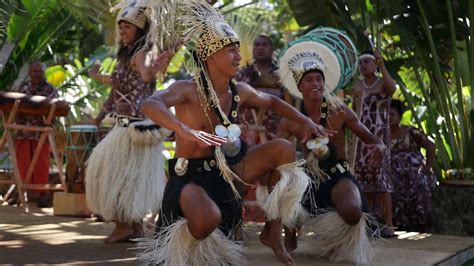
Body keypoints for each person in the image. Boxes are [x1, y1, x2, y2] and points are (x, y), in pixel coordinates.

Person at [135, 2, 334, 265]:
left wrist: (306, 122)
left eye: (237, 51)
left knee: (284, 149)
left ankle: (272, 232)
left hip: (228, 170)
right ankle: (184, 250)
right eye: (231, 51)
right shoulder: (187, 90)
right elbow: (149, 104)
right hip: (191, 177)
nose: (239, 57)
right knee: (208, 220)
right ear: (211, 56)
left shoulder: (239, 91)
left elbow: (273, 102)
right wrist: (185, 130)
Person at [276, 51, 385, 265]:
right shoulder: (290, 119)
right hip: (309, 178)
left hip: (338, 176)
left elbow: (367, 136)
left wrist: (379, 145)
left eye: (319, 78)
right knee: (282, 186)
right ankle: (290, 230)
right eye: (309, 79)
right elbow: (276, 150)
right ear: (299, 87)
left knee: (353, 211)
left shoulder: (340, 111)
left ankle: (338, 240)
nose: (315, 83)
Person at [85, 5, 172, 244]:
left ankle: (126, 225)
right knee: (119, 176)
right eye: (121, 26)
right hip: (122, 128)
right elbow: (115, 91)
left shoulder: (143, 54)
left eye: (128, 27)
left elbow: (145, 75)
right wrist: (99, 116)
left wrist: (154, 69)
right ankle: (132, 227)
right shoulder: (125, 56)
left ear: (140, 31)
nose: (122, 31)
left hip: (137, 129)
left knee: (121, 177)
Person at [349, 49, 397, 237]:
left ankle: (389, 223)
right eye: (361, 63)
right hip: (362, 137)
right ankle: (370, 222)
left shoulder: (382, 83)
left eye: (367, 62)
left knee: (381, 179)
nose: (363, 66)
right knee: (364, 178)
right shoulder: (357, 85)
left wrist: (382, 65)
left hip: (379, 136)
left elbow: (392, 89)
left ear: (375, 64)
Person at [235, 35, 282, 222]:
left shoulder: (281, 73)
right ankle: (237, 217)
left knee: (273, 174)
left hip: (274, 132)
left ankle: (273, 219)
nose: (260, 48)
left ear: (271, 49)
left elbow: (287, 101)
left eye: (265, 45)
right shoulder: (243, 72)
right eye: (257, 45)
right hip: (247, 131)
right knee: (242, 172)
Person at [11, 61, 59, 207]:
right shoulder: (24, 87)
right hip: (24, 132)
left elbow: (56, 107)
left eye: (40, 71)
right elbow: (15, 105)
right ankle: (19, 194)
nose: (37, 74)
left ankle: (42, 195)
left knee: (41, 164)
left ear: (43, 72)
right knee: (22, 163)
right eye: (35, 71)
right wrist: (19, 122)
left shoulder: (49, 89)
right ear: (30, 73)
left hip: (41, 133)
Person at [389, 99, 436, 232]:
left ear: (399, 116)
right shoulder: (381, 133)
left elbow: (430, 145)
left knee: (420, 183)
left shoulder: (411, 131)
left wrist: (428, 166)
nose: (388, 117)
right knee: (390, 184)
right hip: (393, 171)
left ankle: (423, 224)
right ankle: (397, 223)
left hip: (416, 171)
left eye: (392, 114)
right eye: (386, 114)